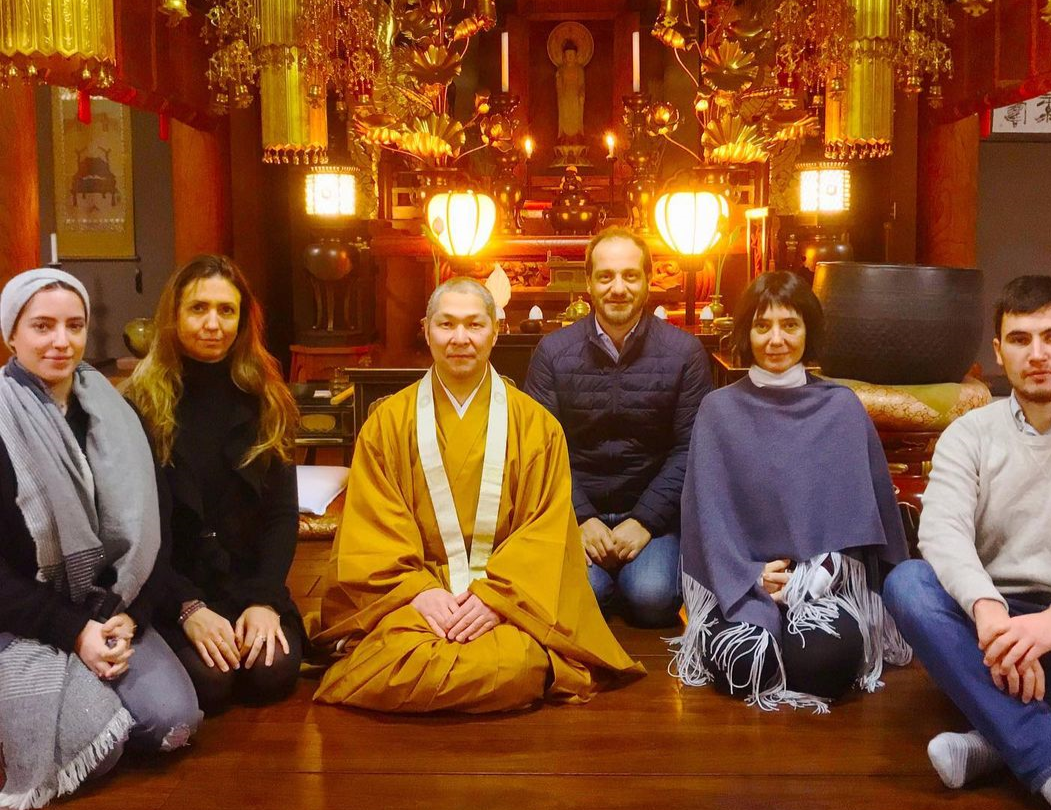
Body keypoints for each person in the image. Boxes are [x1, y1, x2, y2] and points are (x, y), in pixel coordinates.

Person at [309, 277, 644, 713]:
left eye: (474, 324)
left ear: (496, 330)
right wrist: (418, 592)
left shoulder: (537, 427)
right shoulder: (388, 423)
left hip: (506, 600)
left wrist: (496, 600)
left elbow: (545, 534)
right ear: (426, 329)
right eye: (447, 325)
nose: (460, 338)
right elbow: (371, 527)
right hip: (417, 593)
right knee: (391, 656)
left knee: (515, 663)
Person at [0, 268, 200, 809]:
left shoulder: (118, 412)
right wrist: (73, 631)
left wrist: (126, 614)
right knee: (99, 749)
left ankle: (89, 702)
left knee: (172, 724)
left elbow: (156, 531)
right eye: (42, 326)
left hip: (112, 607)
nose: (61, 341)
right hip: (23, 615)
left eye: (74, 325)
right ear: (11, 335)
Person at [883, 275, 1051, 810]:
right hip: (988, 622)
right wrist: (991, 613)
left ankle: (994, 744)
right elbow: (942, 532)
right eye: (1020, 339)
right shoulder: (969, 434)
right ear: (999, 351)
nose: (1037, 354)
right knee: (908, 583)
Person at [671, 271, 910, 711]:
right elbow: (708, 517)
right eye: (763, 326)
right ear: (746, 333)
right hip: (742, 582)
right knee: (746, 663)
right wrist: (752, 576)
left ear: (808, 331)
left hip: (825, 583)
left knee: (824, 664)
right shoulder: (718, 411)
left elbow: (861, 517)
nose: (776, 339)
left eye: (790, 325)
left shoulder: (841, 408)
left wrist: (811, 578)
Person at [125, 255, 303, 714]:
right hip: (173, 584)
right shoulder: (139, 403)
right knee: (212, 684)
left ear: (243, 320)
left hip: (246, 581)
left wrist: (264, 599)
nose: (213, 324)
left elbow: (283, 515)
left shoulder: (267, 395)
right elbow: (134, 532)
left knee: (271, 674)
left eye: (227, 311)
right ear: (174, 316)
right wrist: (188, 608)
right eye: (198, 309)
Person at [525, 227, 711, 627]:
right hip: (575, 511)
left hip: (650, 512)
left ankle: (624, 580)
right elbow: (540, 448)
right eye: (606, 276)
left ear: (647, 281)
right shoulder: (553, 353)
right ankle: (605, 581)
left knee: (652, 599)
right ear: (589, 283)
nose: (618, 288)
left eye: (630, 275)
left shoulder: (684, 353)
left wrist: (645, 520)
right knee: (585, 595)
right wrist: (579, 517)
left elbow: (690, 449)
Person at [555, 40, 585, 142]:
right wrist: (558, 78)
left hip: (576, 97)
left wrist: (581, 94)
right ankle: (565, 136)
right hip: (565, 96)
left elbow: (581, 84)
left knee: (576, 116)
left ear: (576, 55)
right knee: (565, 115)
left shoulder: (579, 69)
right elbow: (559, 86)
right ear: (564, 56)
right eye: (568, 54)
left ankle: (576, 135)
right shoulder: (562, 69)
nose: (570, 57)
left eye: (572, 54)